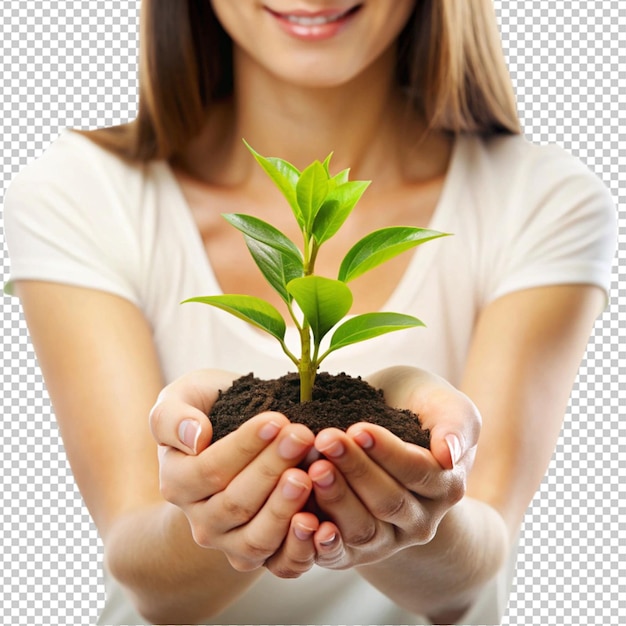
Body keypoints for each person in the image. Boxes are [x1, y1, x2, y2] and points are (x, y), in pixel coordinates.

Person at [2, 1, 616, 624]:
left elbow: (474, 565)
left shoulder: (540, 200)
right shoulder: (83, 194)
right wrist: (225, 489)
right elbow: (145, 574)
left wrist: (408, 468)